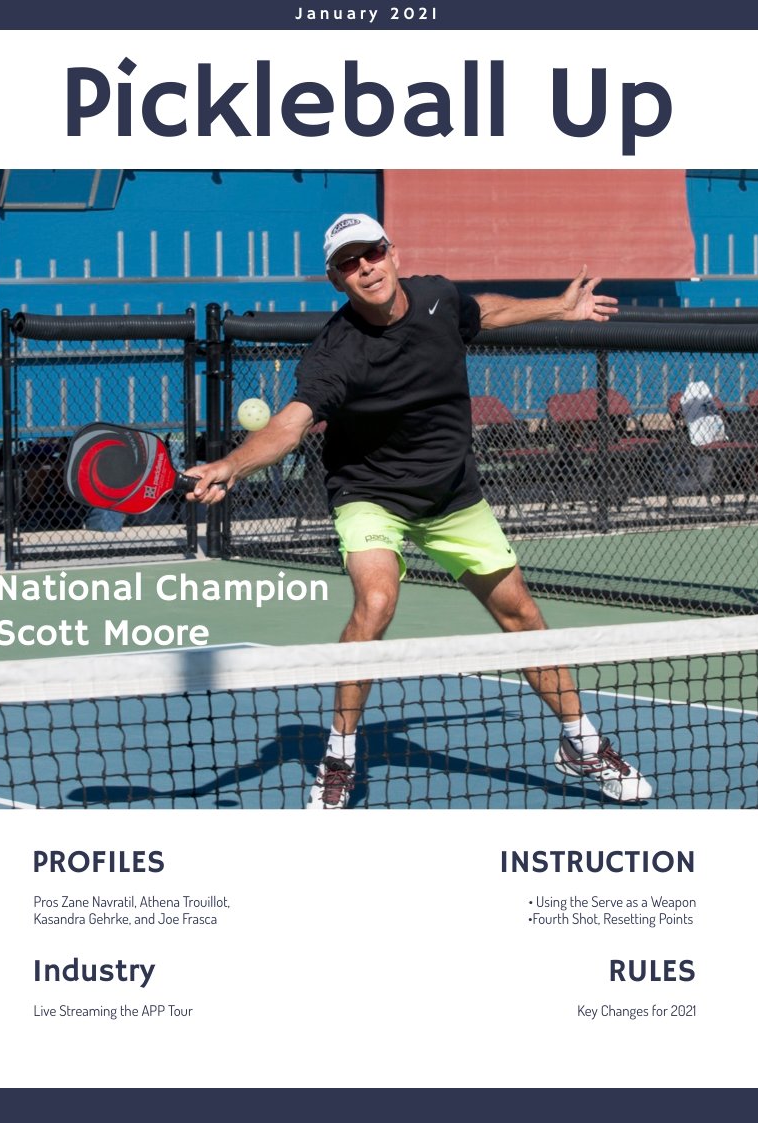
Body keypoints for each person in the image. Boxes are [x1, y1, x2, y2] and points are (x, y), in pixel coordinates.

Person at [188, 213, 654, 809]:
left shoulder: (436, 298)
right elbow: (290, 424)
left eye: (372, 253)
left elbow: (482, 311)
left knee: (521, 614)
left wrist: (558, 308)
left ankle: (581, 744)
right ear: (336, 280)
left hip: (451, 496)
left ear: (393, 254)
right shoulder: (335, 353)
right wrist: (232, 465)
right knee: (376, 602)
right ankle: (339, 757)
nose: (366, 268)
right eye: (349, 263)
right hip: (370, 494)